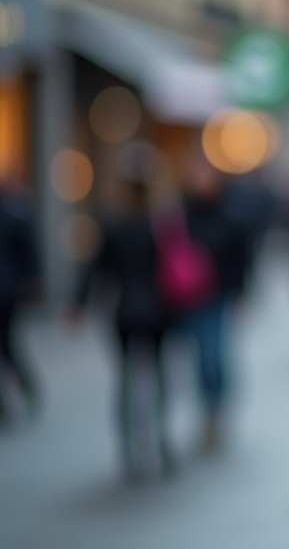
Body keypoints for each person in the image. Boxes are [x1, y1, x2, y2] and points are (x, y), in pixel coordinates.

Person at [72, 178, 175, 480]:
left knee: (126, 378)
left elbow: (95, 268)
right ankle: (159, 437)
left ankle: (128, 449)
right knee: (159, 375)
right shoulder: (161, 227)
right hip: (158, 309)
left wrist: (78, 303)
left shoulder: (113, 227)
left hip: (125, 310)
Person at [180, 155, 250, 450]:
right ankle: (207, 407)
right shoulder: (180, 217)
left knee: (212, 354)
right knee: (196, 356)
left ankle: (214, 409)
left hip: (217, 296)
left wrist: (240, 292)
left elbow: (242, 258)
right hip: (186, 296)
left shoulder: (229, 217)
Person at [0, 182, 40, 421]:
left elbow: (28, 253)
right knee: (7, 344)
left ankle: (25, 384)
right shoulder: (15, 218)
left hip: (6, 293)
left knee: (7, 343)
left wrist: (31, 281)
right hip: (9, 290)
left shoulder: (15, 219)